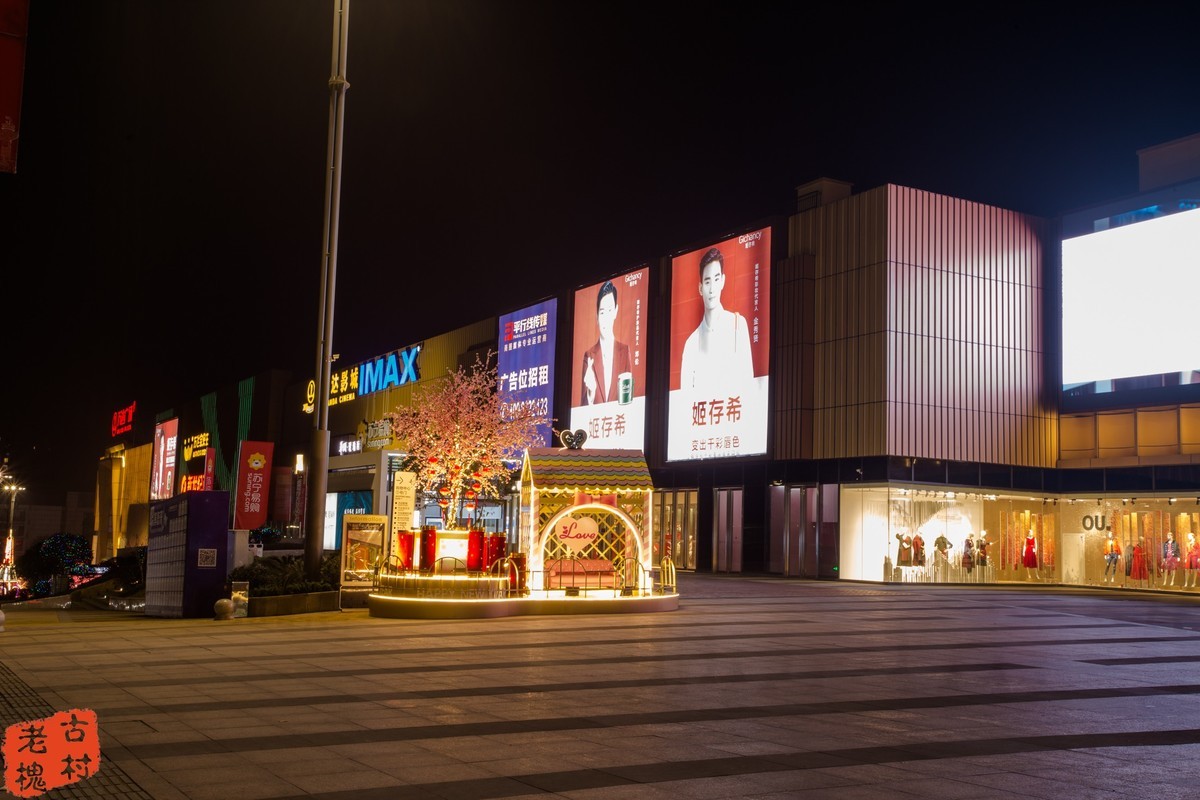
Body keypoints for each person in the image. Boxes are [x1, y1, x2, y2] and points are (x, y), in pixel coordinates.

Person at [679, 247, 754, 393]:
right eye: (707, 282)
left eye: (716, 279)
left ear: (723, 281)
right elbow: (685, 400)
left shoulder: (737, 326)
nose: (712, 288)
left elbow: (747, 385)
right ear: (700, 288)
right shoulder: (691, 344)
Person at [580, 280, 632, 405]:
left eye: (609, 311)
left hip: (619, 422)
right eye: (602, 312)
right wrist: (591, 392)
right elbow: (581, 409)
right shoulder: (589, 356)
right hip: (595, 423)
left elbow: (629, 400)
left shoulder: (624, 351)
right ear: (597, 316)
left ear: (615, 311)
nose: (606, 318)